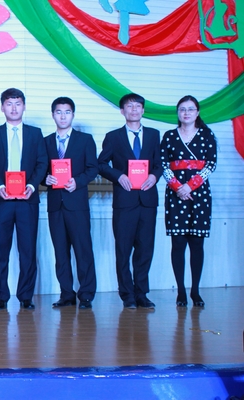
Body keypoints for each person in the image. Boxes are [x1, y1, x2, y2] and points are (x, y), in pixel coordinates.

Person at [98, 93, 162, 309]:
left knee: (145, 249)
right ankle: (127, 294)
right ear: (122, 111)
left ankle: (141, 293)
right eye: (129, 106)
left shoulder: (154, 135)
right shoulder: (113, 137)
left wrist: (154, 176)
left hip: (147, 200)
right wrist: (118, 176)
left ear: (143, 110)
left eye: (137, 106)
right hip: (124, 201)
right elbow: (101, 164)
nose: (134, 109)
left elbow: (159, 163)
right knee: (123, 249)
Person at [0, 88, 47, 310]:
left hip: (27, 201)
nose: (13, 108)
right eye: (9, 104)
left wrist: (31, 185)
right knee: (0, 251)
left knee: (27, 251)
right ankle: (0, 297)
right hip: (1, 200)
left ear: (24, 106)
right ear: (2, 107)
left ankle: (26, 296)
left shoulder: (35, 133)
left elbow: (42, 163)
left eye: (18, 103)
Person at [161, 95, 217, 307]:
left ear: (197, 112)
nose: (186, 113)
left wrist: (190, 186)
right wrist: (178, 187)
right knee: (177, 243)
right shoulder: (169, 136)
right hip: (175, 195)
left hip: (199, 195)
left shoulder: (207, 135)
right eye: (182, 109)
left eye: (190, 109)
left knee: (197, 243)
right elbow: (163, 164)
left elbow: (211, 164)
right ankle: (181, 291)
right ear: (178, 113)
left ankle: (195, 290)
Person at [44, 97, 98, 309]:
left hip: (77, 204)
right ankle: (66, 293)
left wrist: (78, 181)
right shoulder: (46, 141)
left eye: (67, 112)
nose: (63, 116)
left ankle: (86, 294)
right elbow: (40, 169)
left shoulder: (85, 140)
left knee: (83, 250)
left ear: (73, 115)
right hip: (55, 205)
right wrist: (45, 178)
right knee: (60, 252)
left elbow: (93, 168)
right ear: (53, 115)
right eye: (59, 112)